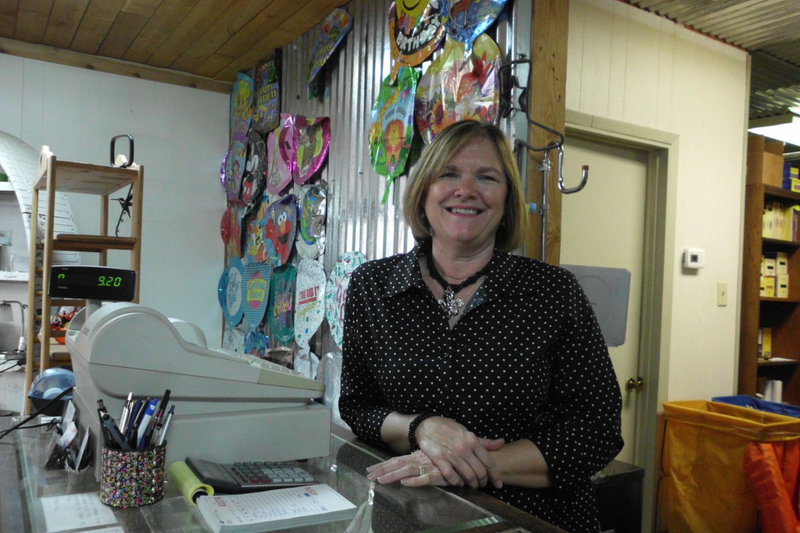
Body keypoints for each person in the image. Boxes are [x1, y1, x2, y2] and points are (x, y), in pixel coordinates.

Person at [339, 119, 623, 533]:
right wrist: (422, 427)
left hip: (529, 519)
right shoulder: (373, 285)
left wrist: (465, 464)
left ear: (507, 199)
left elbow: (597, 430)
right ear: (424, 192)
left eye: (486, 177)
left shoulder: (553, 292)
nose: (466, 190)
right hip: (404, 515)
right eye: (449, 174)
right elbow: (357, 405)